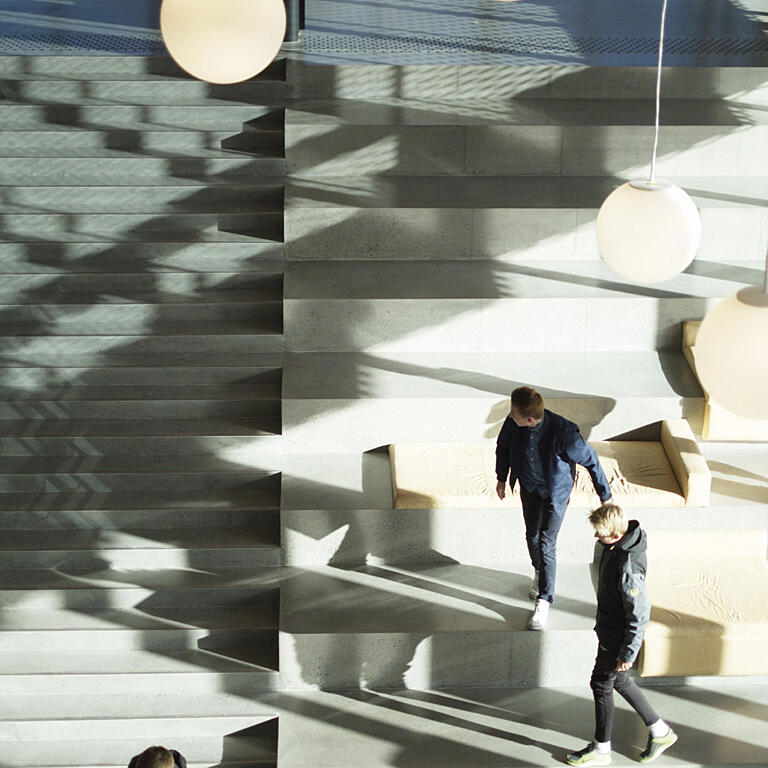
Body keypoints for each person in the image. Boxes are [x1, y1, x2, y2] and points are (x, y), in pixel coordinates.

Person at [566, 503, 677, 765]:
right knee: (618, 680)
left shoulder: (628, 567)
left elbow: (639, 613)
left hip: (617, 636)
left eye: (600, 534)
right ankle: (661, 732)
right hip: (609, 630)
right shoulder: (614, 546)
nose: (596, 537)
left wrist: (628, 651)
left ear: (616, 535)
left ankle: (601, 749)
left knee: (601, 684)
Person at [495, 386, 612, 630]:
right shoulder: (513, 422)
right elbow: (503, 446)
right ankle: (540, 571)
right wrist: (501, 477)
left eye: (513, 413)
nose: (509, 415)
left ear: (528, 419)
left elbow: (591, 460)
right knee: (532, 535)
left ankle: (544, 599)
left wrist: (605, 496)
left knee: (547, 542)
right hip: (529, 487)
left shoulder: (564, 433)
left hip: (555, 493)